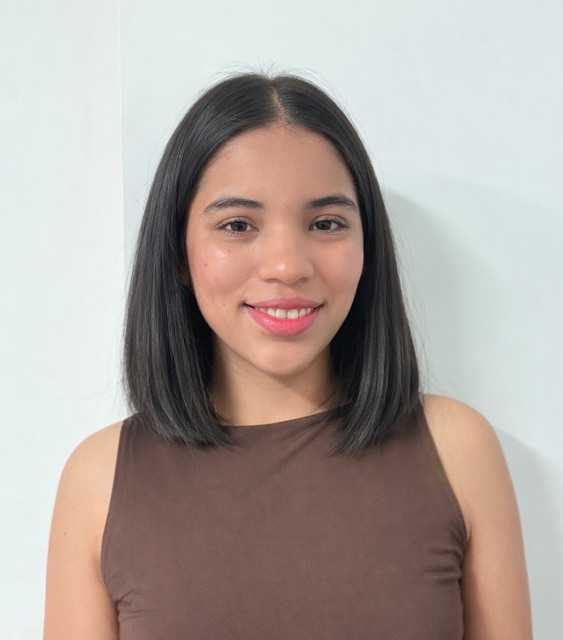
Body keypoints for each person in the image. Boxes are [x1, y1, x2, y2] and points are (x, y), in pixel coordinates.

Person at [43, 71, 533, 639]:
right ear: (178, 251)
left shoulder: (459, 451)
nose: (286, 265)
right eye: (238, 225)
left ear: (367, 246)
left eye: (326, 224)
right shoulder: (99, 479)